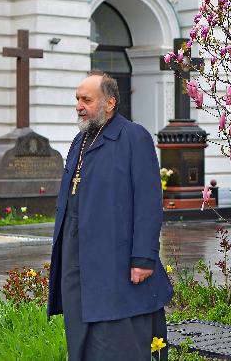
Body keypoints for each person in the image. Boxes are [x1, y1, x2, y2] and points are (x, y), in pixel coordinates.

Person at [48, 71, 172, 359]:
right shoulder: (80, 141)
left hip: (116, 257)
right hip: (77, 254)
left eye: (86, 99)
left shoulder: (133, 137)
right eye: (77, 99)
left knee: (115, 331)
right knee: (81, 324)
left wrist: (143, 258)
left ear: (110, 103)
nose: (79, 105)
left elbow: (148, 202)